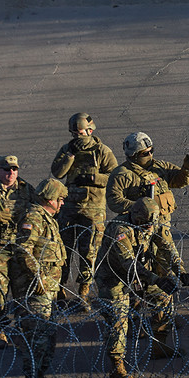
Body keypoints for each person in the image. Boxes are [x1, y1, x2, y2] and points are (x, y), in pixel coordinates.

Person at [94, 197, 188, 378]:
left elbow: (167, 246)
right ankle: (116, 369)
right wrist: (156, 279)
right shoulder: (120, 230)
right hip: (114, 279)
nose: (150, 228)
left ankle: (159, 345)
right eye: (146, 224)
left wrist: (180, 268)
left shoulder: (153, 223)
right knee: (118, 319)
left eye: (152, 224)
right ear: (137, 219)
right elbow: (128, 264)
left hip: (141, 275)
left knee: (163, 298)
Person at [107, 131, 189, 284]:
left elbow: (180, 181)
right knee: (141, 271)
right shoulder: (122, 175)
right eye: (145, 153)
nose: (150, 155)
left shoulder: (160, 167)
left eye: (151, 151)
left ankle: (161, 300)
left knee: (165, 267)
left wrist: (188, 168)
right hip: (140, 230)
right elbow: (113, 200)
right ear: (134, 155)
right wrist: (140, 207)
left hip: (161, 226)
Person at [51, 112, 119, 310]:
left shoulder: (102, 151)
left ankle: (83, 293)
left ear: (90, 130)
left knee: (88, 252)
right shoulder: (67, 149)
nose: (78, 137)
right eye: (75, 134)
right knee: (63, 251)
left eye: (80, 133)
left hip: (93, 210)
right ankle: (60, 291)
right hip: (69, 208)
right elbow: (57, 172)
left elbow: (113, 176)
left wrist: (93, 179)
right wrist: (69, 157)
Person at [11, 178, 69, 378]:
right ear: (50, 198)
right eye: (60, 199)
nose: (62, 204)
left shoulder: (48, 218)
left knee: (47, 338)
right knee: (37, 339)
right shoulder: (34, 217)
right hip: (35, 291)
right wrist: (40, 279)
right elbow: (23, 250)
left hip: (48, 290)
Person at [0, 155, 38, 348]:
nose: (10, 173)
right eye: (6, 169)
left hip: (20, 248)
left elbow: (39, 211)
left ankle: (22, 331)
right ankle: (0, 330)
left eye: (14, 169)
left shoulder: (27, 190)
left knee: (22, 291)